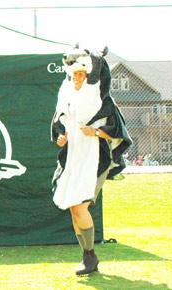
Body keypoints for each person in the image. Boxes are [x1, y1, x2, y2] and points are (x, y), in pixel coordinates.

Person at [51, 47, 130, 275]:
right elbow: (58, 127)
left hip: (95, 157)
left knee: (79, 205)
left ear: (89, 76)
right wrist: (60, 139)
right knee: (75, 209)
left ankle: (90, 256)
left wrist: (96, 132)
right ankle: (88, 256)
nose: (76, 79)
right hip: (73, 157)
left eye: (81, 75)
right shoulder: (66, 99)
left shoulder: (102, 102)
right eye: (73, 74)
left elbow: (118, 133)